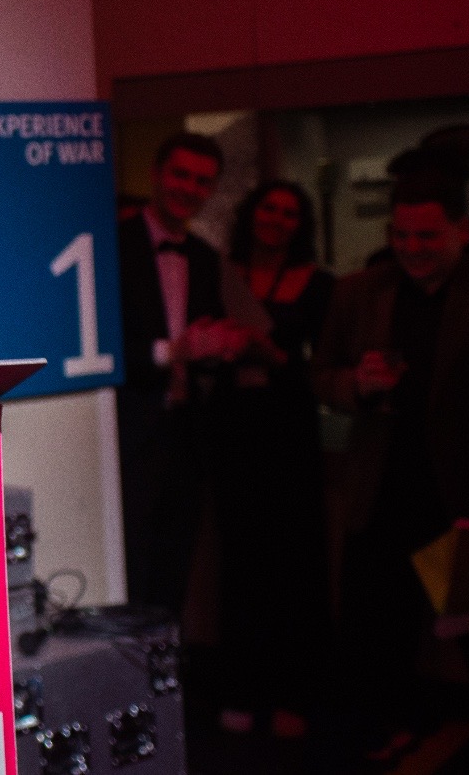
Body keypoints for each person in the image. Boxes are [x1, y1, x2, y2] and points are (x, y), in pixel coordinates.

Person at [314, 167, 469, 764]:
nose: (411, 248)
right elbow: (321, 376)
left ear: (463, 229)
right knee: (374, 634)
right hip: (380, 492)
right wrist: (356, 384)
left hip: (461, 501)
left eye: (427, 236)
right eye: (402, 234)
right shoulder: (360, 291)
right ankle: (389, 737)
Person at [210, 182, 334, 738]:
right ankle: (239, 691)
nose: (277, 220)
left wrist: (272, 353)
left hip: (291, 440)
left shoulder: (322, 284)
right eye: (269, 208)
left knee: (293, 568)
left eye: (289, 213)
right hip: (233, 435)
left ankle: (295, 698)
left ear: (300, 223)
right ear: (251, 213)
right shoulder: (217, 271)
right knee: (239, 567)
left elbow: (323, 368)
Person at [115, 132, 248, 615]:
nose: (189, 188)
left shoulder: (207, 258)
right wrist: (173, 350)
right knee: (129, 568)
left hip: (187, 436)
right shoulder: (113, 245)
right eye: (181, 175)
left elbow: (200, 343)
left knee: (175, 571)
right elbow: (101, 348)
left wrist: (219, 349)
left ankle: (165, 680)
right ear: (156, 174)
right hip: (129, 433)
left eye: (202, 181)